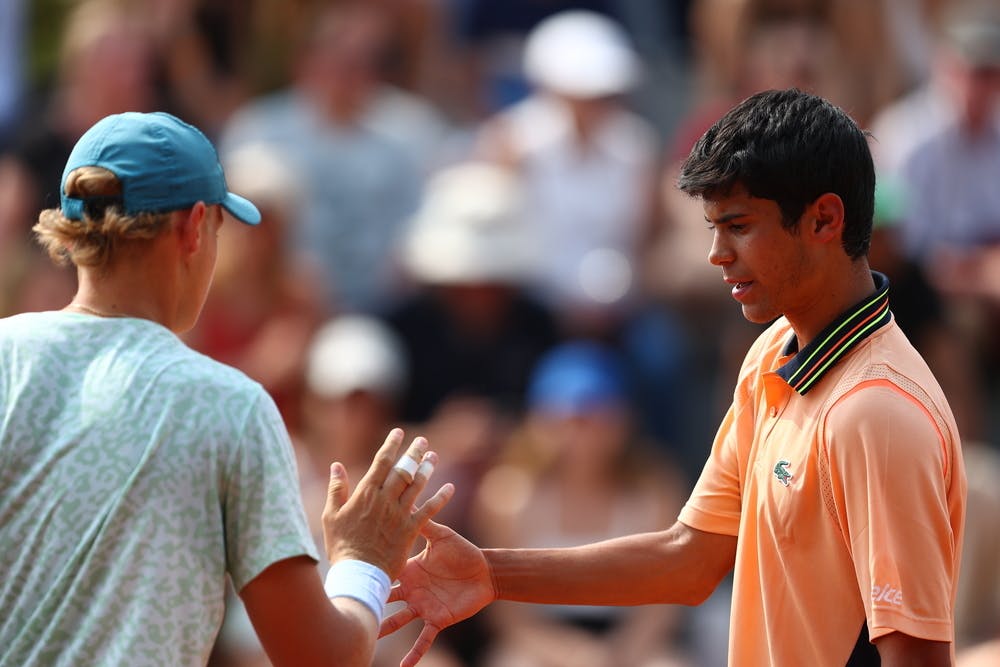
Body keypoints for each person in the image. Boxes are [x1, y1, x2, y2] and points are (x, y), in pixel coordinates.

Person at [381, 89, 967, 667]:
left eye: (738, 226)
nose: (716, 253)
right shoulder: (770, 354)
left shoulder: (878, 413)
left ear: (824, 218)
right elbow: (689, 561)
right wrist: (489, 572)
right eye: (714, 227)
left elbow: (915, 655)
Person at [0, 111, 453, 667]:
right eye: (218, 229)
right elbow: (322, 660)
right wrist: (363, 561)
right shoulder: (231, 407)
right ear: (193, 227)